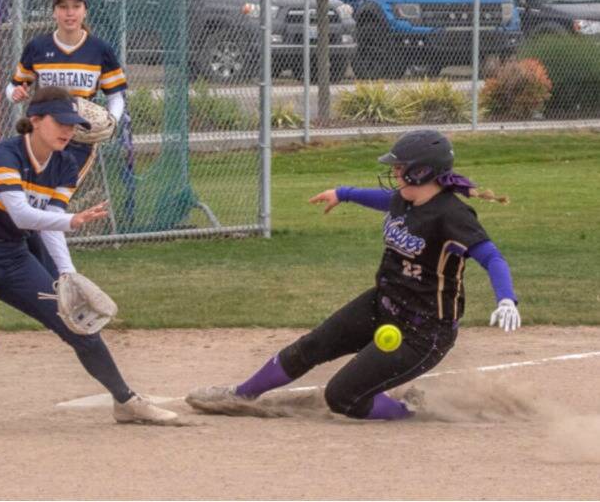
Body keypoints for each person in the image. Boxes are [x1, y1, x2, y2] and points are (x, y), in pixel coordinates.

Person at [187, 130, 521, 421]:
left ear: (422, 172)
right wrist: (343, 193)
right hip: (384, 304)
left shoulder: (452, 216)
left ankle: (411, 409)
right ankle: (241, 394)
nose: (394, 172)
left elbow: (491, 257)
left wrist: (506, 298)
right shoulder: (405, 201)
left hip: (423, 333)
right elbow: (382, 200)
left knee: (342, 397)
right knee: (311, 346)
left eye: (400, 167)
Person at [0, 87, 177, 438]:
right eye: (61, 122)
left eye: (73, 124)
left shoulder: (65, 163)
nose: (69, 131)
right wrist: (72, 221)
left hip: (14, 256)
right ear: (36, 120)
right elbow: (24, 216)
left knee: (78, 325)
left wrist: (66, 274)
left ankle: (125, 401)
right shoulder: (5, 155)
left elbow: (48, 226)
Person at [5, 0, 128, 276]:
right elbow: (14, 85)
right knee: (30, 205)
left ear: (85, 11)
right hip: (40, 139)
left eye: (76, 7)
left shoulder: (100, 50)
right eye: (63, 7)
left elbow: (116, 95)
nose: (69, 13)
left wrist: (112, 121)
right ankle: (48, 272)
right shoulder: (39, 47)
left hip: (78, 142)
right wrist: (16, 94)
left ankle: (63, 275)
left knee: (51, 209)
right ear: (54, 12)